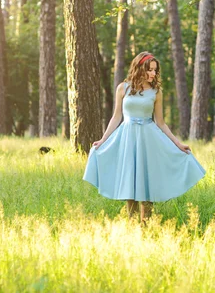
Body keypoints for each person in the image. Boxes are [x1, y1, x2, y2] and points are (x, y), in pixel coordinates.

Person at [83, 52, 206, 223]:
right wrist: (103, 140)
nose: (153, 74)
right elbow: (116, 117)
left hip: (148, 139)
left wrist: (178, 144)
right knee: (129, 182)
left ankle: (146, 226)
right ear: (140, 68)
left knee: (147, 183)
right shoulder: (123, 88)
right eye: (150, 70)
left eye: (155, 71)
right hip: (127, 137)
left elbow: (161, 122)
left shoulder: (156, 92)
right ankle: (132, 224)